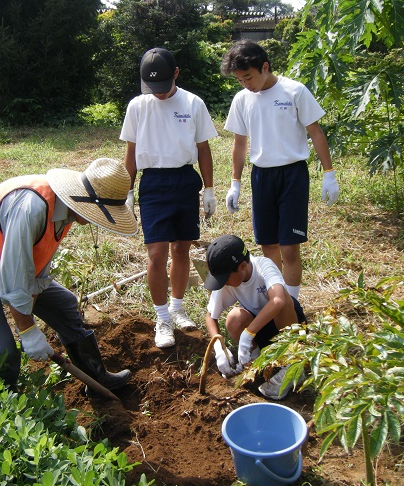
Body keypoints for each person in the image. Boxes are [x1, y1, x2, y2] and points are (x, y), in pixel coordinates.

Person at [0, 157, 138, 389]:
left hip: (6, 268)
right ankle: (4, 406)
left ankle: (96, 378)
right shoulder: (33, 208)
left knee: (65, 304)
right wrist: (28, 330)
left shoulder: (67, 210)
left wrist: (28, 314)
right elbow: (15, 278)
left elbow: (37, 265)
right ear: (88, 201)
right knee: (4, 353)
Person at [220, 39, 339, 300]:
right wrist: (235, 182)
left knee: (289, 248)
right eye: (240, 80)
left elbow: (316, 133)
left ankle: (292, 306)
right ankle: (276, 301)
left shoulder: (294, 91)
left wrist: (329, 173)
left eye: (248, 77)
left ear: (265, 67)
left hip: (292, 175)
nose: (246, 84)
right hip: (262, 176)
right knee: (268, 246)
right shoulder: (242, 100)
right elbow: (240, 144)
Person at [120, 47, 218, 348]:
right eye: (152, 88)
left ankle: (177, 307)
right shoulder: (138, 106)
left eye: (162, 87)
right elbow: (131, 153)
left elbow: (203, 148)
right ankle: (161, 318)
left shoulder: (193, 103)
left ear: (175, 74)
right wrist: (128, 190)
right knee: (156, 253)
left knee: (181, 249)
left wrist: (209, 188)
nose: (158, 94)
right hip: (153, 183)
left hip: (185, 180)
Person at [203, 234, 307, 399]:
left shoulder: (264, 266)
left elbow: (279, 300)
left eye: (225, 278)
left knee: (282, 300)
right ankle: (257, 363)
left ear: (243, 266)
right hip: (261, 331)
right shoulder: (228, 281)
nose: (224, 283)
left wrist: (247, 334)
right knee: (234, 318)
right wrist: (219, 347)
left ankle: (293, 366)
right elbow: (210, 316)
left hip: (287, 327)